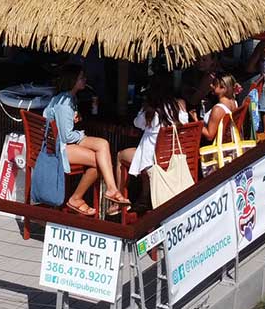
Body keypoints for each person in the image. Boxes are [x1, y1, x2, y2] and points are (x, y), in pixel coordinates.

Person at [42, 64, 125, 216]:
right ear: (72, 80)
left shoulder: (68, 98)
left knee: (103, 144)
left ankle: (112, 189)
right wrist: (82, 135)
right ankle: (76, 198)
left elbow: (64, 127)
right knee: (98, 161)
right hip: (58, 148)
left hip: (61, 142)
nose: (85, 79)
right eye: (81, 77)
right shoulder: (65, 103)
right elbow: (67, 136)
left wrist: (75, 121)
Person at [117, 72, 191, 206]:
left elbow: (136, 123)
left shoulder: (150, 112)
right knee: (145, 153)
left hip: (154, 162)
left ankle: (118, 201)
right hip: (173, 157)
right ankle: (145, 195)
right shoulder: (180, 105)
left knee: (120, 156)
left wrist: (143, 108)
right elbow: (185, 123)